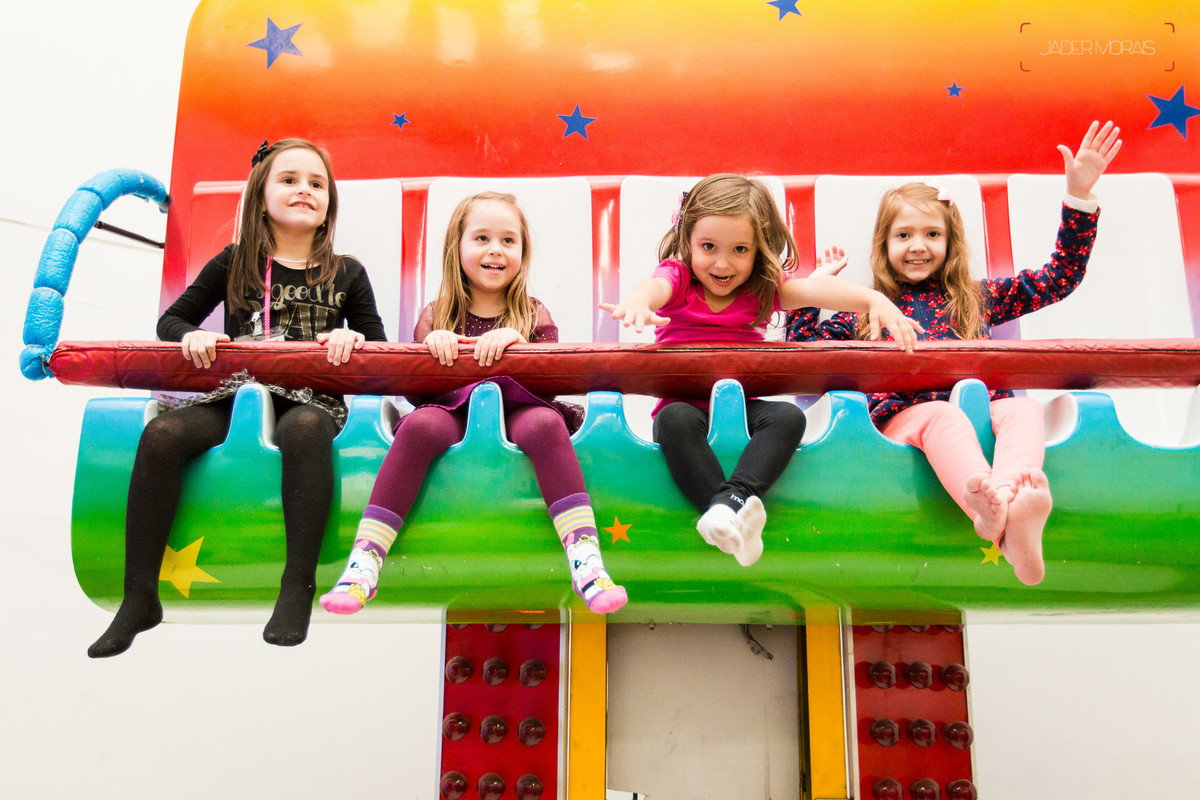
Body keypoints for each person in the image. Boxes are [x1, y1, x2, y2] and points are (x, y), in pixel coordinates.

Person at [787, 121, 1123, 585]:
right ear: (884, 245)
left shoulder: (978, 298)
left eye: (932, 234)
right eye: (903, 235)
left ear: (950, 243)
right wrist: (814, 289)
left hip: (982, 410)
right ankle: (994, 516)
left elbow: (1058, 278)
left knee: (1024, 409)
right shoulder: (867, 310)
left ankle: (1009, 505)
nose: (918, 246)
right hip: (907, 419)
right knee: (942, 417)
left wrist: (1079, 197)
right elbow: (801, 350)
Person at [88, 139, 386, 658]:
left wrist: (353, 338)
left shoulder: (347, 272)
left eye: (317, 184)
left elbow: (379, 347)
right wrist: (193, 335)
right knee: (162, 434)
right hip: (240, 394)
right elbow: (171, 320)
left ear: (329, 205)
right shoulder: (234, 262)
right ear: (260, 196)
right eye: (289, 180)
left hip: (311, 399)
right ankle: (139, 597)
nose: (304, 190)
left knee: (303, 429)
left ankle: (297, 587)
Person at [321, 191, 627, 615]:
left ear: (522, 252)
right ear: (457, 247)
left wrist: (519, 344)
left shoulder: (533, 313)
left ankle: (586, 559)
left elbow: (549, 386)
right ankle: (365, 562)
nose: (495, 249)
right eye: (482, 238)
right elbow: (418, 393)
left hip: (519, 408)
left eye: (508, 240)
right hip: (452, 410)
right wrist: (433, 346)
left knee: (545, 424)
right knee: (419, 427)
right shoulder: (437, 314)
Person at [600, 174, 921, 566]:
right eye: (708, 247)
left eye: (740, 249)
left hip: (741, 408)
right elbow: (655, 288)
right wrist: (638, 302)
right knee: (674, 419)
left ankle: (728, 504)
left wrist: (874, 301)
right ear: (687, 242)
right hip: (684, 408)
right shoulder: (680, 279)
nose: (722, 263)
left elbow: (816, 290)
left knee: (788, 416)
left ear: (758, 250)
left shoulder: (760, 289)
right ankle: (729, 515)